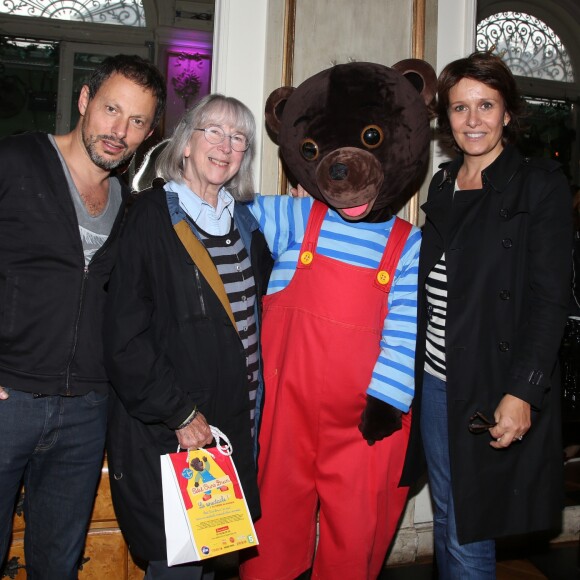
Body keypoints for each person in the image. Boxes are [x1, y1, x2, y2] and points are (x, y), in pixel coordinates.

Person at [400, 51, 572, 579]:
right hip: (434, 379)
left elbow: (550, 300)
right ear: (445, 119)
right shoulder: (444, 183)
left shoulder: (539, 184)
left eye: (486, 105)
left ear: (507, 113)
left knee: (470, 526)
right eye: (459, 108)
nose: (472, 120)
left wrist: (523, 391)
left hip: (492, 381)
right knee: (450, 514)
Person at [0, 54, 166, 579]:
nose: (120, 131)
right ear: (84, 101)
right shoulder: (16, 160)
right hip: (9, 401)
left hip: (86, 410)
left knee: (58, 564)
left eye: (137, 121)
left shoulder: (128, 201)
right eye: (112, 110)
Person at [103, 94, 272, 579]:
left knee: (214, 566)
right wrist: (179, 413)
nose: (225, 145)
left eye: (238, 137)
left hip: (234, 427)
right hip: (177, 430)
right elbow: (124, 337)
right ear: (186, 145)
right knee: (177, 567)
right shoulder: (151, 218)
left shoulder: (243, 222)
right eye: (213, 131)